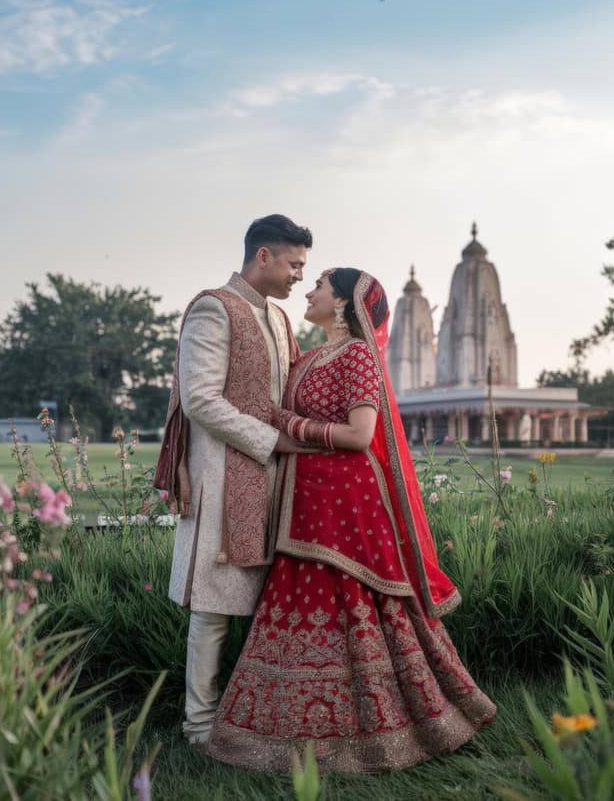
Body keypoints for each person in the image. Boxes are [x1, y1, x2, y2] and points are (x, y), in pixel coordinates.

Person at [208, 268, 496, 772]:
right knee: (301, 597)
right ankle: (291, 727)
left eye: (319, 285)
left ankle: (386, 729)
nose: (309, 291)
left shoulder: (358, 354)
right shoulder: (307, 358)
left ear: (342, 303)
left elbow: (361, 435)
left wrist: (293, 425)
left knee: (353, 598)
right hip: (303, 500)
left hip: (347, 499)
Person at [153, 214, 313, 746]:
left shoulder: (279, 319)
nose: (299, 275)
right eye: (293, 264)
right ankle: (200, 726)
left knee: (268, 603)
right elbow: (200, 400)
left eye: (304, 267)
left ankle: (255, 714)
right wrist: (271, 441)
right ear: (263, 256)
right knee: (215, 607)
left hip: (274, 480)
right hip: (221, 476)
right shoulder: (213, 308)